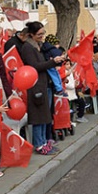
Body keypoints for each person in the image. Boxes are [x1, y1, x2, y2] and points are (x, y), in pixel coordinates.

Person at [20, 22, 65, 155]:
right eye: (39, 34)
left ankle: (44, 141)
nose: (42, 36)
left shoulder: (39, 46)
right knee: (38, 116)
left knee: (45, 114)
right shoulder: (28, 48)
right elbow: (35, 66)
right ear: (31, 35)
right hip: (36, 86)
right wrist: (52, 62)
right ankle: (39, 144)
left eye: (43, 33)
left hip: (44, 84)